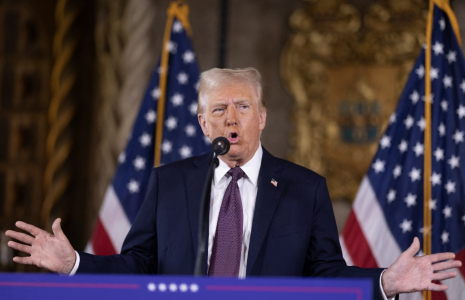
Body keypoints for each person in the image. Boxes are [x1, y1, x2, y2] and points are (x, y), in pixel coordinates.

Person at [6, 68, 461, 299]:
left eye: (243, 107)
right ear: (204, 125)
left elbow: (325, 274)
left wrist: (386, 282)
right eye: (219, 110)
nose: (231, 119)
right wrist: (74, 266)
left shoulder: (305, 188)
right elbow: (139, 264)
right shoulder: (170, 184)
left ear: (262, 118)